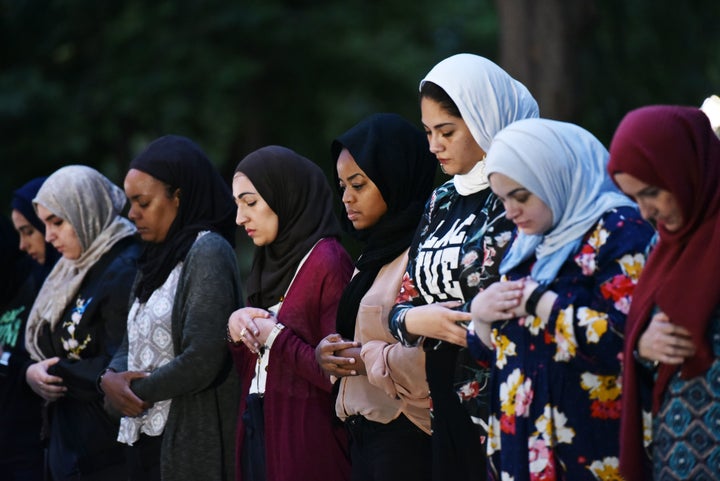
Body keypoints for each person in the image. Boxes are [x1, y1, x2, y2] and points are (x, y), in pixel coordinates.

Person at [468, 118, 655, 480]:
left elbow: (630, 340)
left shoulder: (620, 229)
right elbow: (501, 352)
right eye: (503, 199)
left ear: (556, 177)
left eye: (521, 196)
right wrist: (480, 318)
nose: (510, 211)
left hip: (593, 446)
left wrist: (543, 304)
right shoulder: (528, 241)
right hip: (521, 446)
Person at [387, 53, 538, 480]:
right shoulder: (442, 200)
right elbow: (399, 306)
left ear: (483, 119)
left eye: (446, 131)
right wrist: (419, 319)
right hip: (441, 398)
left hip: (502, 394)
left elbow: (520, 293)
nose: (434, 145)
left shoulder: (518, 195)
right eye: (429, 132)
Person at [100, 134, 242, 481]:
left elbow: (203, 357)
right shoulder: (155, 258)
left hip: (187, 435)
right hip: (143, 436)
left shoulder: (208, 252)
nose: (132, 214)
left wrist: (131, 391)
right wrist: (110, 379)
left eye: (143, 203)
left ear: (179, 197)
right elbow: (129, 342)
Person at [314, 113, 437, 481]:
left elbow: (432, 358)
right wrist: (329, 353)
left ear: (394, 177)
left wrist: (366, 359)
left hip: (407, 437)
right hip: (364, 437)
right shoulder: (372, 256)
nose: (347, 198)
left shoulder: (421, 254)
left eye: (358, 184)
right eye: (342, 186)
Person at [227, 145, 353, 481]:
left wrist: (276, 336)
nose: (240, 218)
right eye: (238, 205)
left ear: (286, 195)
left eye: (250, 202)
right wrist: (237, 329)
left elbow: (339, 374)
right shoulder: (268, 262)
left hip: (309, 444)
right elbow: (253, 369)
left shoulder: (328, 260)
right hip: (259, 427)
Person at [608, 105, 720, 481]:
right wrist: (642, 345)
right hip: (680, 447)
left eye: (652, 191)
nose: (645, 210)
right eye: (634, 197)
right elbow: (642, 329)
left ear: (686, 168)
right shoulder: (664, 244)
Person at [24, 165, 141, 481]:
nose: (49, 236)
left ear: (86, 211)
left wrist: (54, 372)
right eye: (45, 224)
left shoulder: (124, 265)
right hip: (71, 446)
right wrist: (33, 372)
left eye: (57, 222)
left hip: (107, 454)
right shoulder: (72, 268)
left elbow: (123, 361)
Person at [1, 177, 61, 481]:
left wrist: (17, 366)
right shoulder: (16, 286)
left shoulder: (45, 284)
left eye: (29, 231)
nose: (25, 244)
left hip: (39, 451)